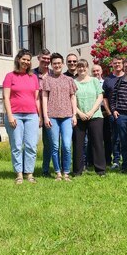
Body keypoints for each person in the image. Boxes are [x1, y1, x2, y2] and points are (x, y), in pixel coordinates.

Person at [3, 49, 40, 184]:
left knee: (31, 145)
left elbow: (36, 99)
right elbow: (5, 97)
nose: (26, 62)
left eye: (28, 60)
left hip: (31, 115)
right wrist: (10, 116)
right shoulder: (10, 76)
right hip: (15, 115)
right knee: (17, 145)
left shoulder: (34, 77)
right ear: (18, 59)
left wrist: (39, 115)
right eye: (23, 59)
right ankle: (19, 174)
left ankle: (29, 174)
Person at [41, 53, 77, 181]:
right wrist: (45, 116)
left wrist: (74, 115)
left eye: (59, 63)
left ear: (62, 64)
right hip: (52, 117)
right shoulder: (47, 80)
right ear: (51, 65)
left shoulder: (69, 80)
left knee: (67, 145)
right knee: (55, 146)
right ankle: (58, 173)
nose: (57, 65)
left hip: (67, 116)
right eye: (54, 63)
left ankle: (66, 172)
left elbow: (73, 97)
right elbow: (44, 98)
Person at [72, 59, 106, 176]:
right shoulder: (73, 82)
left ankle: (100, 170)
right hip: (79, 116)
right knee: (78, 144)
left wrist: (91, 111)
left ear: (87, 68)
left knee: (97, 143)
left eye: (84, 67)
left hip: (95, 115)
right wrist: (79, 113)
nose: (82, 69)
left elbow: (100, 97)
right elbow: (71, 100)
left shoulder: (94, 81)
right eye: (79, 67)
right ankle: (77, 171)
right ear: (77, 68)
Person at [33, 48, 53, 176]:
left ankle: (45, 169)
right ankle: (26, 169)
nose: (46, 61)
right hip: (32, 112)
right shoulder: (31, 74)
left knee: (49, 142)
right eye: (43, 58)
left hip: (50, 113)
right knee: (30, 142)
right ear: (38, 58)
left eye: (48, 59)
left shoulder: (53, 74)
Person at [102, 56, 125, 169]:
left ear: (123, 64)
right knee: (115, 138)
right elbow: (104, 97)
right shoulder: (108, 80)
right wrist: (109, 112)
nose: (117, 65)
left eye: (119, 63)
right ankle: (116, 161)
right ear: (112, 64)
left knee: (126, 137)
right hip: (112, 114)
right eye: (115, 63)